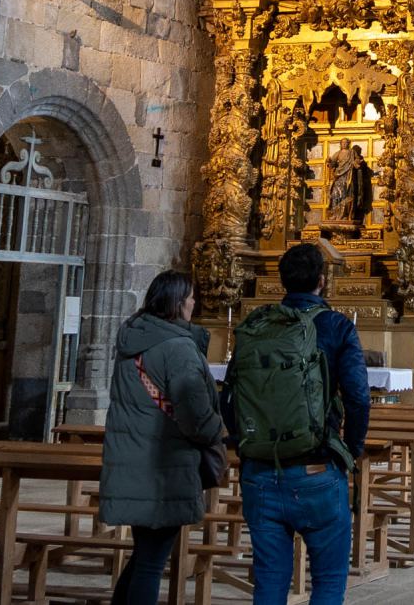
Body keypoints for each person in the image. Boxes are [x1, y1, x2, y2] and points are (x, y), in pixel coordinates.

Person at [222, 243, 369, 605]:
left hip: (260, 470)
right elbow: (358, 397)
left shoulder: (256, 326)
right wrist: (350, 450)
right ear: (322, 281)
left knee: (270, 582)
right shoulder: (336, 326)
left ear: (282, 281)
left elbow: (227, 396)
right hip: (317, 468)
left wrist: (245, 441)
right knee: (329, 582)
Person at [100, 270, 223, 605]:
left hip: (131, 459)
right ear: (178, 302)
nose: (195, 302)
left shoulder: (133, 338)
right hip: (163, 467)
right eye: (191, 296)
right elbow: (196, 415)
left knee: (144, 556)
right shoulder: (178, 349)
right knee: (152, 563)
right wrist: (219, 433)